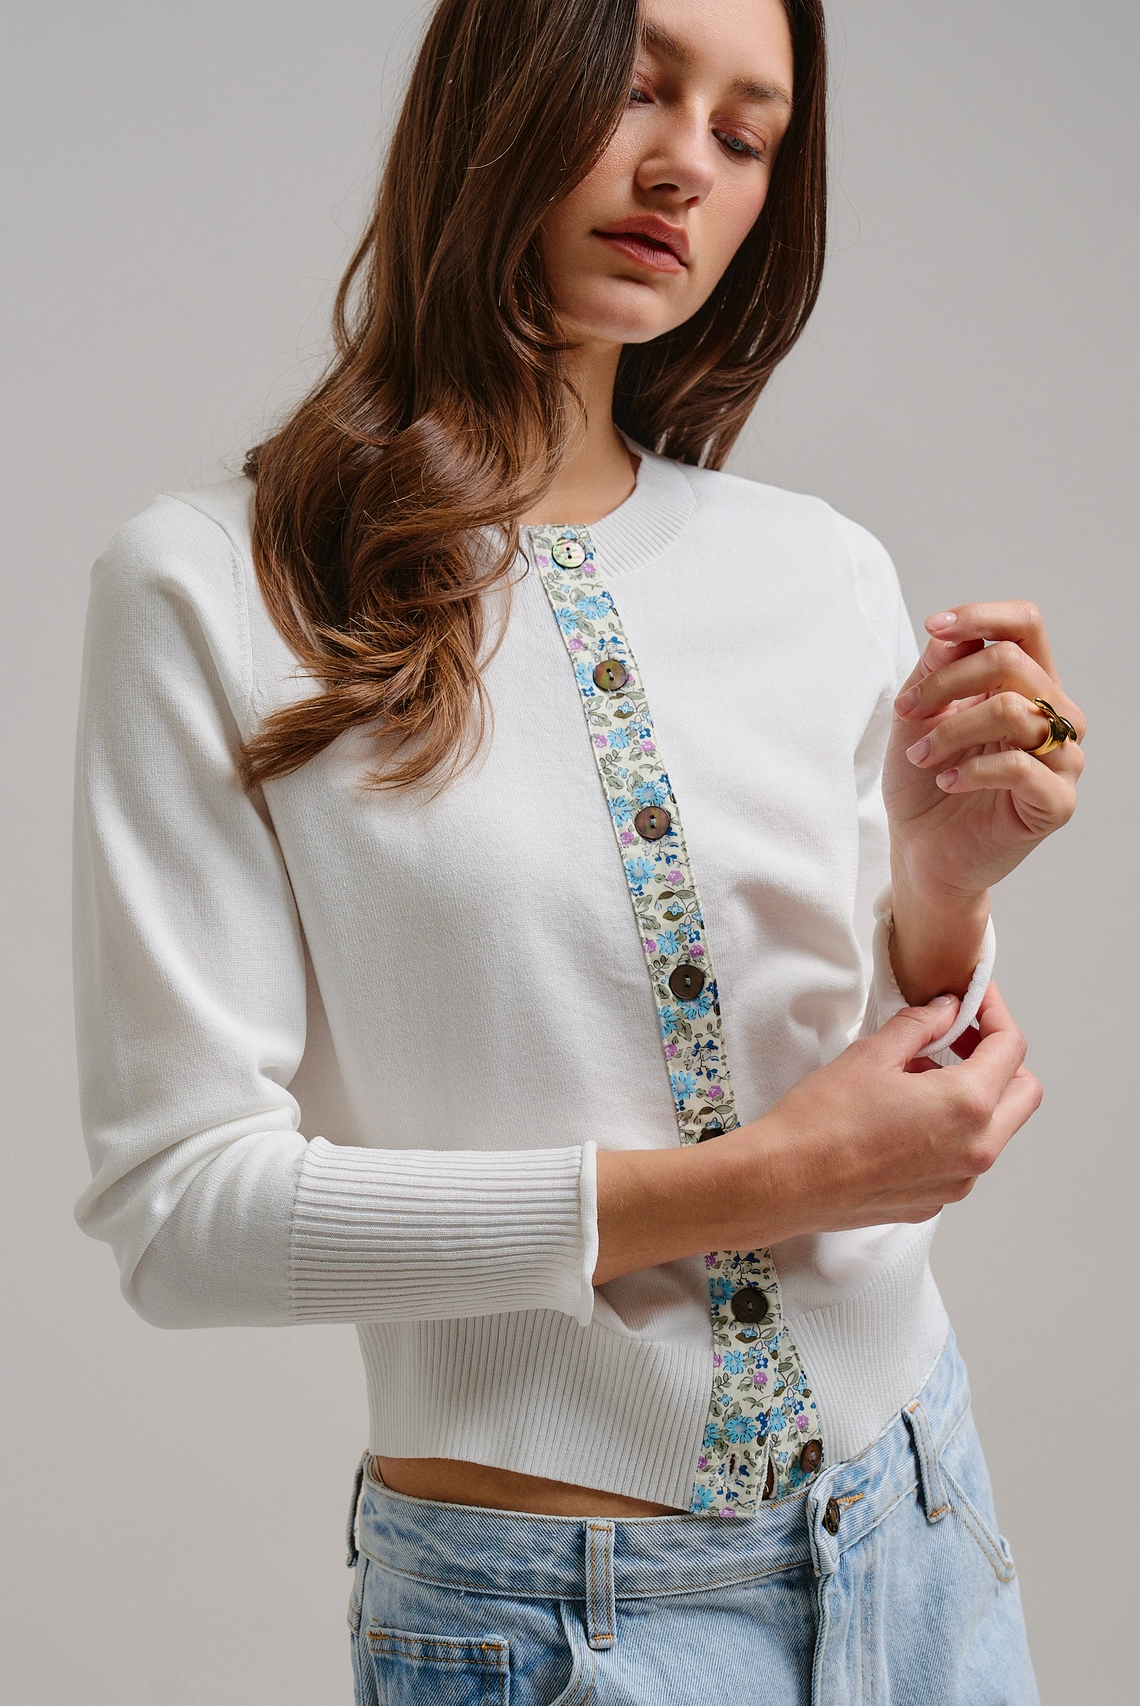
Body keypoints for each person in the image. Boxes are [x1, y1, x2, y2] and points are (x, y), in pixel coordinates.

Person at [73, 0, 1085, 1699]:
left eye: (746, 136)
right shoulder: (213, 589)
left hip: (920, 1527)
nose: (687, 164)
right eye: (637, 90)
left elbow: (881, 1099)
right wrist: (763, 1180)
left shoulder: (820, 568)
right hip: (552, 1623)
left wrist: (942, 887)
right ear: (504, 78)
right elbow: (182, 1212)